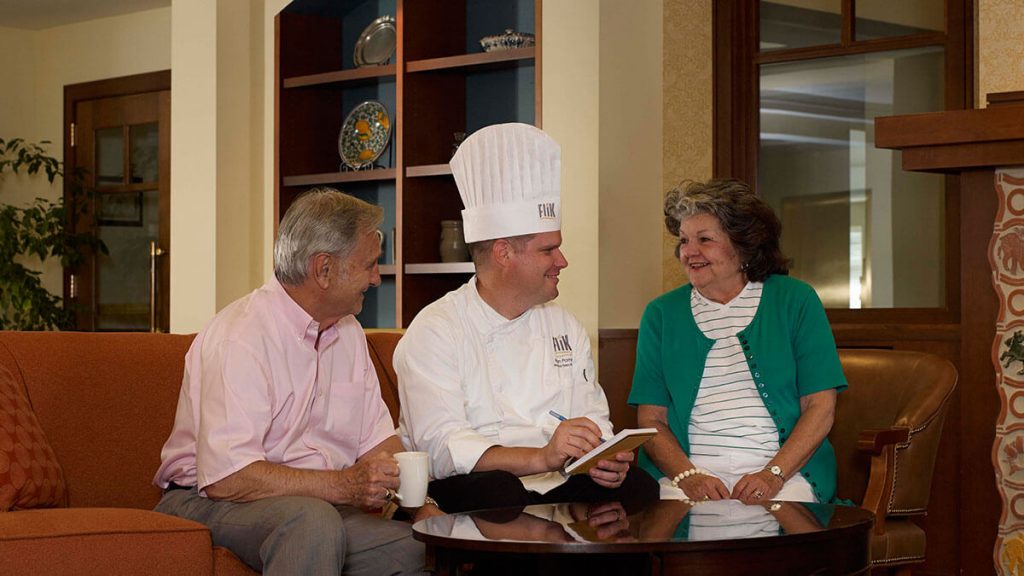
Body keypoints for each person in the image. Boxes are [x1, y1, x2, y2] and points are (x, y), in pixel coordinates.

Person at [153, 188, 431, 576]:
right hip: (209, 502)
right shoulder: (241, 337)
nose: (375, 278)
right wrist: (343, 486)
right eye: (369, 264)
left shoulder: (348, 332)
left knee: (423, 549)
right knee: (312, 522)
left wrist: (424, 508)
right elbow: (228, 477)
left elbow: (378, 442)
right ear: (324, 269)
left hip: (314, 505)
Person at [395, 123, 658, 514]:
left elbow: (593, 416)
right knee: (499, 492)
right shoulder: (436, 330)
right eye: (548, 250)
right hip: (477, 485)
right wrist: (541, 457)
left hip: (557, 479)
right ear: (503, 253)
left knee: (639, 487)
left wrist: (603, 456)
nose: (562, 261)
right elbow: (442, 448)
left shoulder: (564, 326)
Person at [629, 178, 847, 504]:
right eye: (684, 240)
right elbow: (651, 419)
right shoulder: (661, 314)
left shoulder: (795, 300)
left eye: (705, 239)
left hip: (786, 474)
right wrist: (689, 476)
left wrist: (773, 475)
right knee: (672, 523)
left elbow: (820, 407)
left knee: (774, 524)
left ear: (743, 244)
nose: (689, 252)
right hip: (684, 476)